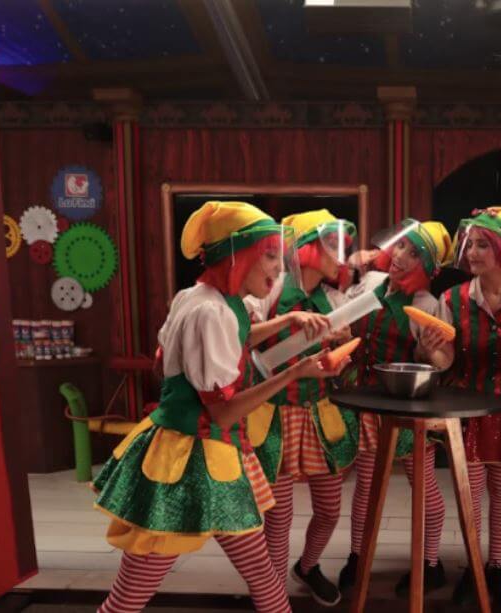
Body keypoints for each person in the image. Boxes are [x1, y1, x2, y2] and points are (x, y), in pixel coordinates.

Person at [93, 202, 347, 613]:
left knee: (262, 573)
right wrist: (294, 373)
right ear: (236, 255)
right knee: (130, 596)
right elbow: (224, 412)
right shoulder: (212, 312)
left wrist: (288, 321)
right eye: (269, 256)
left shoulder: (204, 298)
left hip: (210, 455)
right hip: (186, 462)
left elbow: (227, 341)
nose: (278, 268)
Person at [420, 207, 501, 609]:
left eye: (482, 245)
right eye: (469, 244)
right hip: (466, 410)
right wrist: (431, 351)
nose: (471, 252)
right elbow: (447, 360)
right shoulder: (451, 299)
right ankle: (473, 564)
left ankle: (494, 565)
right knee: (467, 494)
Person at [245, 209, 358, 607]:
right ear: (307, 247)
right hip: (273, 412)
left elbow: (340, 366)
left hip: (317, 413)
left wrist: (340, 350)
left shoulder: (334, 298)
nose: (340, 255)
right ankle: (274, 597)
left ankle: (307, 567)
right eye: (332, 245)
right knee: (278, 517)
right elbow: (242, 337)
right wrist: (284, 324)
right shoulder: (271, 288)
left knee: (330, 510)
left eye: (343, 246)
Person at [337, 219, 454, 598]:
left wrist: (427, 352)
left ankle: (431, 563)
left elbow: (445, 360)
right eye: (401, 246)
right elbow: (346, 321)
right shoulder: (372, 282)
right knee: (366, 486)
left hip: (408, 406)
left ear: (426, 267)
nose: (401, 255)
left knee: (425, 487)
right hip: (367, 400)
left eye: (413, 253)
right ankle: (358, 557)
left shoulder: (428, 305)